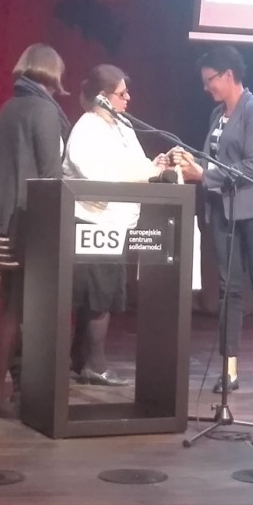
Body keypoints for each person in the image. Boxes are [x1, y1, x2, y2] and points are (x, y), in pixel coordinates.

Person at [171, 45, 253, 397]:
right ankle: (229, 368)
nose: (206, 87)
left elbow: (252, 168)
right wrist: (188, 161)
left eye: (210, 79)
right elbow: (216, 162)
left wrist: (203, 175)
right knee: (228, 290)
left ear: (228, 75)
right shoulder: (217, 114)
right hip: (224, 209)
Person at [0, 44, 69, 417]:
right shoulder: (44, 110)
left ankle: (0, 389)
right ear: (53, 71)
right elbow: (50, 176)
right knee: (18, 308)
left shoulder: (10, 106)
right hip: (24, 221)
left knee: (13, 306)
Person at [63, 65, 172, 386]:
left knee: (102, 293)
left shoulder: (123, 126)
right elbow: (100, 175)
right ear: (102, 97)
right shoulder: (87, 128)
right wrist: (144, 173)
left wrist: (155, 166)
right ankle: (95, 365)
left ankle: (79, 359)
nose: (128, 98)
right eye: (121, 93)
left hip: (117, 223)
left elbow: (135, 166)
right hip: (94, 222)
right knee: (99, 295)